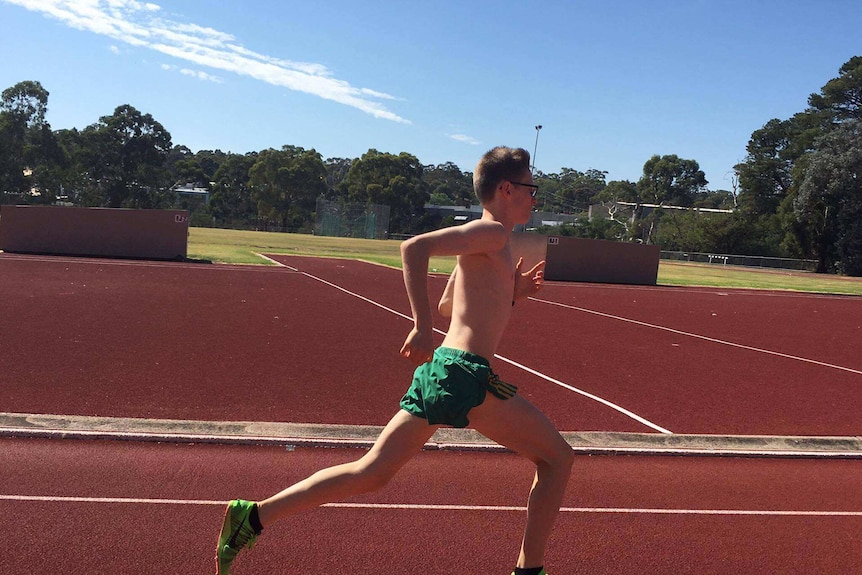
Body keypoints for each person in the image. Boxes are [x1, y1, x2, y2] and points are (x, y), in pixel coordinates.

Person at [215, 146, 574, 575]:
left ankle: (252, 516)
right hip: (463, 375)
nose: (536, 198)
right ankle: (529, 572)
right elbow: (414, 249)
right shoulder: (494, 233)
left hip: (442, 372)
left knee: (371, 472)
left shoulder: (485, 240)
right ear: (506, 189)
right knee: (557, 460)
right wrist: (420, 325)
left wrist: (513, 292)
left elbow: (448, 305)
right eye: (532, 189)